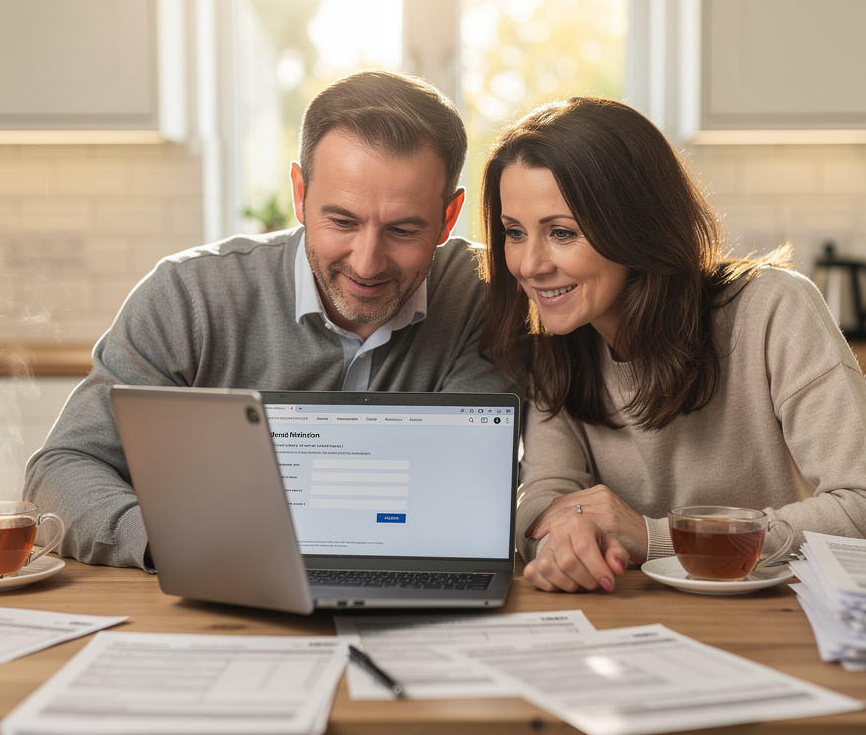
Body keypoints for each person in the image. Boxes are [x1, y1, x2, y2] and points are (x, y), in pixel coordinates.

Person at [25, 70, 512, 570]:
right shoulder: (188, 297)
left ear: (449, 217)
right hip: (216, 596)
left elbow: (469, 487)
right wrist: (174, 540)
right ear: (300, 193)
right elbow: (61, 469)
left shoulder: (484, 301)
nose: (367, 262)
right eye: (341, 221)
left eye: (403, 229)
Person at [475, 97, 866, 593]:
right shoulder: (561, 336)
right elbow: (544, 495)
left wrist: (654, 537)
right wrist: (564, 539)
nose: (529, 265)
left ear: (636, 225)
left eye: (561, 233)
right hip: (636, 619)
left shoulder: (773, 309)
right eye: (514, 232)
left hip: (780, 614)